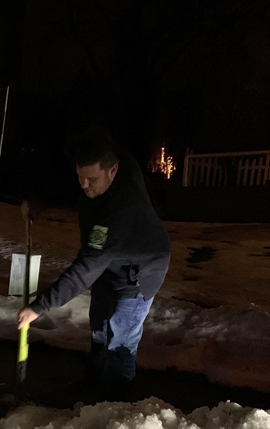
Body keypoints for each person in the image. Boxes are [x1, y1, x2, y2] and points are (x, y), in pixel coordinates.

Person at [18, 129, 170, 395]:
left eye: (91, 179)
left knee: (120, 339)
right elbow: (75, 186)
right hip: (111, 264)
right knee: (99, 326)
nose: (84, 184)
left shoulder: (120, 209)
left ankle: (120, 402)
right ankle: (95, 386)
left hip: (140, 272)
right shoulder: (104, 161)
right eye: (80, 176)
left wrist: (39, 306)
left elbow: (86, 267)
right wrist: (40, 202)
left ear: (113, 171)